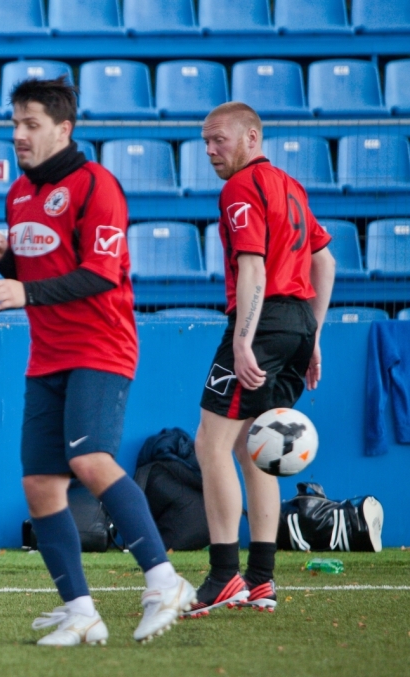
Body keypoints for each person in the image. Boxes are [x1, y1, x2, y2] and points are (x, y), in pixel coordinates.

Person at [0, 77, 195, 647]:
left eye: (31, 124)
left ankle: (165, 581)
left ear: (64, 129)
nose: (18, 134)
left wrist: (22, 291)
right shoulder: (18, 193)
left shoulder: (97, 185)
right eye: (15, 123)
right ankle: (80, 612)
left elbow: (98, 274)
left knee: (92, 460)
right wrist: (8, 266)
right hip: (47, 355)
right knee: (40, 484)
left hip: (101, 346)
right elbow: (46, 273)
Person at [184, 102, 336, 616]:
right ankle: (261, 579)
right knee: (258, 445)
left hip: (262, 322)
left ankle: (224, 575)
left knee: (211, 444)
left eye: (218, 140)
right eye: (205, 142)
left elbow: (252, 268)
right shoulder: (290, 186)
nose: (210, 150)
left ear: (251, 137)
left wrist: (244, 340)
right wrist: (313, 335)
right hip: (296, 324)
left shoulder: (241, 186)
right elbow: (324, 261)